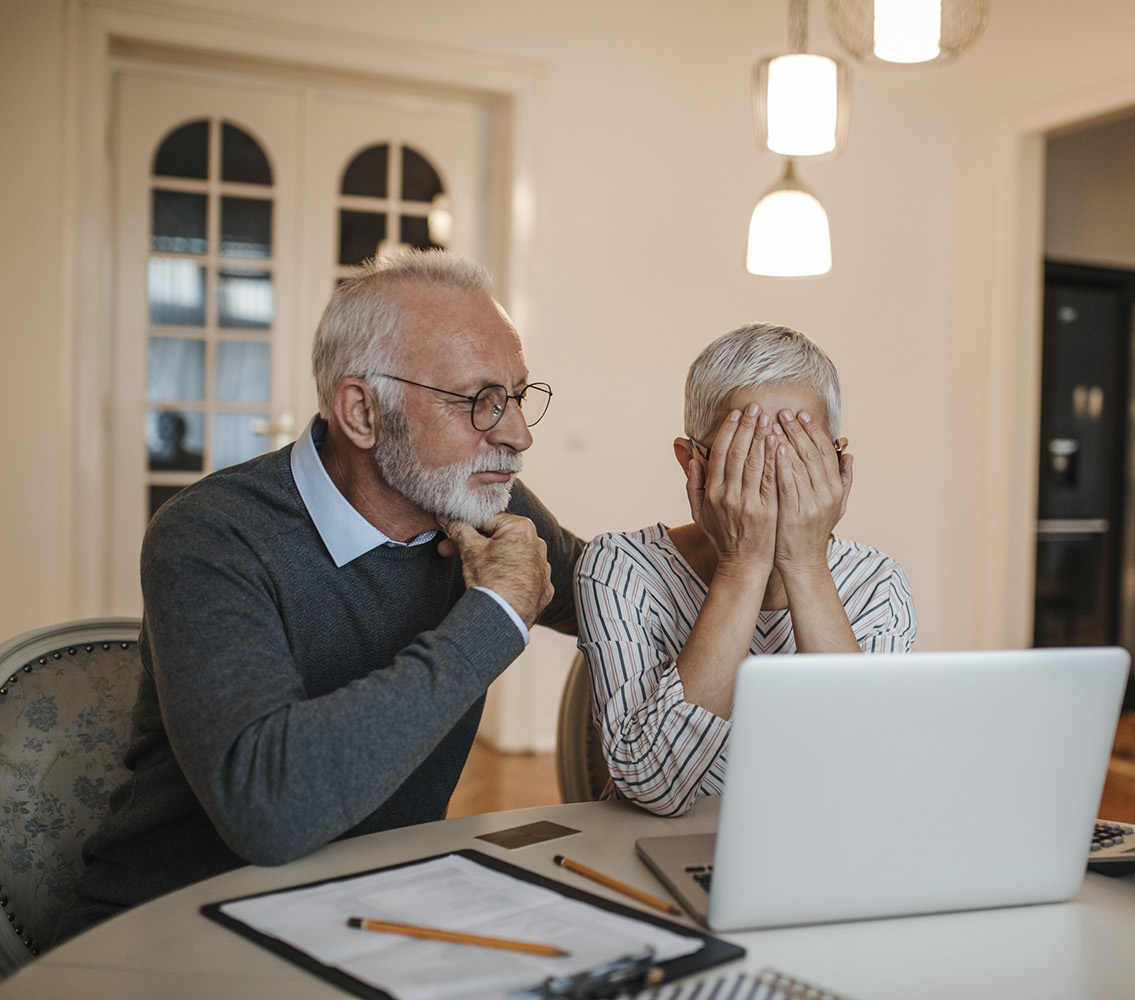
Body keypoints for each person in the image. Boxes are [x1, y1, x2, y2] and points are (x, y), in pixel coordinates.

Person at [58, 249, 582, 939]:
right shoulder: (212, 535)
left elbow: (614, 588)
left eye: (516, 395)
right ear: (362, 412)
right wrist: (492, 619)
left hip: (368, 920)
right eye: (479, 402)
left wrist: (746, 525)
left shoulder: (476, 503)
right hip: (174, 934)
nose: (518, 434)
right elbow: (269, 811)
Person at [575, 323, 917, 817]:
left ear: (838, 466)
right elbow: (652, 786)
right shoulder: (619, 568)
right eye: (745, 455)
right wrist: (743, 565)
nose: (773, 478)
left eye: (800, 454)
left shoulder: (878, 585)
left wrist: (804, 563)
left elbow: (868, 780)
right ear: (692, 462)